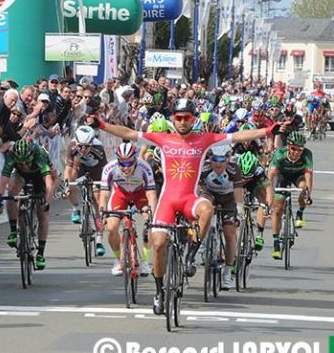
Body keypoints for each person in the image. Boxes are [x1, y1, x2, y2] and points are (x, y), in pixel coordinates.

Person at [87, 98, 283, 315]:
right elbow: (130, 133)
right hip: (167, 201)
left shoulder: (205, 139)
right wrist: (102, 125)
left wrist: (267, 131)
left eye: (186, 117)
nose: (182, 121)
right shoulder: (163, 139)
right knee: (159, 244)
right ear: (173, 119)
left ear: (193, 119)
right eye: (178, 117)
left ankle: (191, 253)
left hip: (190, 198)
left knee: (207, 208)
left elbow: (237, 136)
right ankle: (160, 292)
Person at [0, 139, 56, 270]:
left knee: (42, 212)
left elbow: (49, 183)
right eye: (20, 163)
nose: (24, 165)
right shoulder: (12, 156)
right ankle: (13, 231)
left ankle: (40, 253)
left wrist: (47, 201)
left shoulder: (39, 155)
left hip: (39, 175)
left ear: (31, 156)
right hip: (21, 176)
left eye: (27, 162)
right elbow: (2, 182)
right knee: (12, 191)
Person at [99, 142, 158, 277]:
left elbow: (151, 194)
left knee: (150, 224)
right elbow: (104, 193)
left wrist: (152, 215)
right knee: (112, 228)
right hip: (121, 194)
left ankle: (144, 261)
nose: (125, 168)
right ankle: (118, 260)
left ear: (135, 159)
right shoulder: (109, 168)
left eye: (129, 163)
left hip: (140, 194)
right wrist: (102, 212)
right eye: (122, 163)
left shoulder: (144, 167)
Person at [198, 145, 243, 290]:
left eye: (221, 160)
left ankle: (227, 272)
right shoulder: (203, 168)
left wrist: (239, 212)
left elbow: (238, 193)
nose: (218, 164)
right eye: (214, 159)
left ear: (227, 159)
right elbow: (196, 189)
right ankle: (201, 242)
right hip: (209, 195)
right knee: (204, 208)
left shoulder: (234, 169)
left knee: (230, 234)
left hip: (228, 200)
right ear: (209, 159)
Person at [268, 131, 313, 259]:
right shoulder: (280, 154)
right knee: (277, 208)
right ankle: (276, 243)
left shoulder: (307, 155)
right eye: (293, 149)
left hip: (298, 175)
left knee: (304, 188)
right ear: (288, 146)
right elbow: (271, 177)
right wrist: (269, 195)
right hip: (282, 176)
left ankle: (300, 212)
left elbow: (309, 176)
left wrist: (308, 194)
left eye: (300, 150)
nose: (296, 152)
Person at [64, 125, 108, 255]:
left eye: (87, 146)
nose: (83, 149)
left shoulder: (98, 148)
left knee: (98, 202)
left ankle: (99, 240)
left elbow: (104, 172)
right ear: (76, 142)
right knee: (71, 176)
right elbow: (67, 168)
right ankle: (75, 208)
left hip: (96, 170)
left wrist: (102, 187)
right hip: (80, 167)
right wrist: (67, 185)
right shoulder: (71, 146)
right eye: (80, 146)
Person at [237, 150, 273, 250]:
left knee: (262, 198)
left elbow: (268, 189)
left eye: (247, 177)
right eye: (243, 176)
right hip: (237, 184)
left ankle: (259, 233)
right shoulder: (233, 166)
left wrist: (268, 206)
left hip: (254, 184)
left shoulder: (259, 170)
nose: (245, 179)